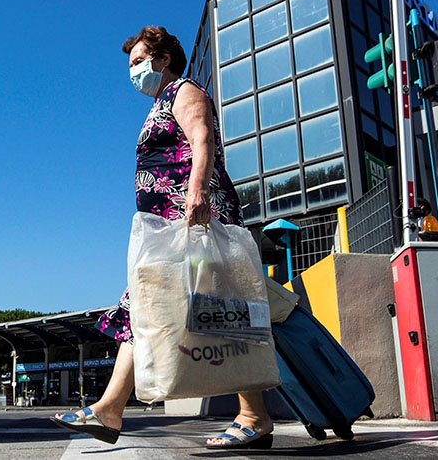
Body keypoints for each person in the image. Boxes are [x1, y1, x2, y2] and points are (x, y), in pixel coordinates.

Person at [50, 26, 274, 450]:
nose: (132, 71)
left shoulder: (184, 91)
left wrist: (197, 193)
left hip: (193, 219)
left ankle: (253, 415)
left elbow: (202, 140)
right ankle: (109, 409)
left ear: (163, 59)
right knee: (151, 306)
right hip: (169, 228)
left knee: (223, 309)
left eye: (137, 61)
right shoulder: (160, 102)